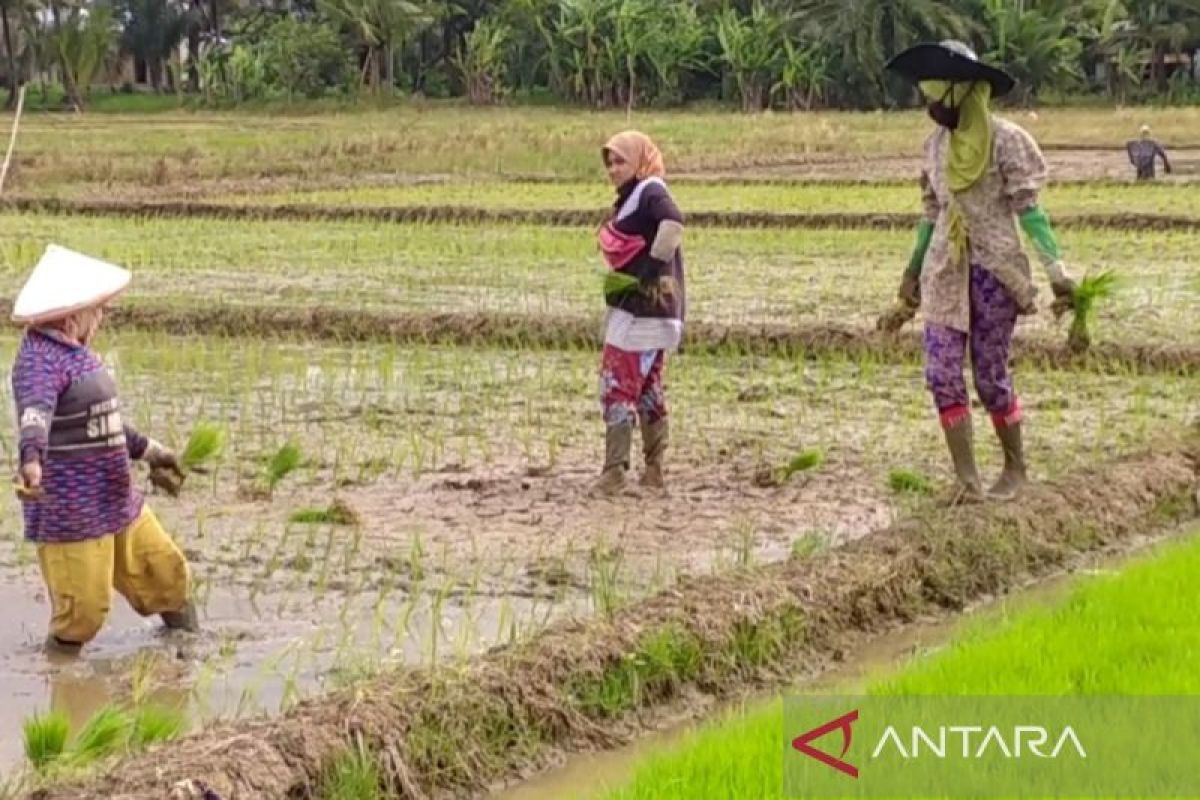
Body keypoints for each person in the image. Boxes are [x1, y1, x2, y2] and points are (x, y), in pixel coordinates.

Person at [877, 41, 1078, 503]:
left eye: (936, 93)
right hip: (945, 271)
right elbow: (931, 214)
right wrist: (910, 275)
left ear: (963, 92)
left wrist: (1058, 274)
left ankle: (1015, 469)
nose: (930, 104)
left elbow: (1030, 212)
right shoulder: (934, 149)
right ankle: (967, 481)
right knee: (942, 371)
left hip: (993, 270)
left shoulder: (1007, 141)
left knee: (990, 376)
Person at [11, 244, 198, 655]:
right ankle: (60, 675)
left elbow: (104, 422)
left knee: (165, 572)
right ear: (70, 313)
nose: (103, 316)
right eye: (98, 308)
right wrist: (31, 460)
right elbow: (35, 414)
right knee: (84, 612)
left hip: (115, 498)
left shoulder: (76, 354)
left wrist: (152, 451)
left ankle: (188, 654)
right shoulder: (39, 361)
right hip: (74, 509)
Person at [593, 131, 686, 495]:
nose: (613, 169)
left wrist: (647, 268)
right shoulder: (633, 197)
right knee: (647, 389)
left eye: (621, 161)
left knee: (616, 385)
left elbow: (673, 224)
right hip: (651, 313)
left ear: (640, 162)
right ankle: (654, 470)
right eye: (610, 162)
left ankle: (615, 472)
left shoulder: (650, 190)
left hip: (642, 313)